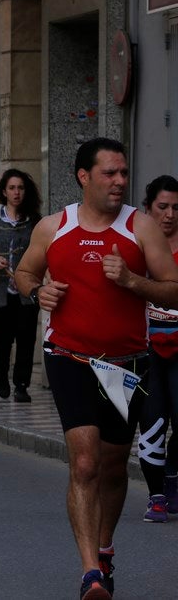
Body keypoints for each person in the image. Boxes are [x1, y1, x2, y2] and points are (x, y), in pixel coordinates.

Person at [15, 138, 178, 599]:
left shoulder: (141, 228)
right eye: (110, 173)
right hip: (69, 358)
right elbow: (25, 272)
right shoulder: (54, 227)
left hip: (128, 365)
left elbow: (173, 290)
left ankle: (104, 550)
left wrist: (132, 281)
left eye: (124, 173)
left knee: (111, 466)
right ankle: (90, 572)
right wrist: (36, 293)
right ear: (84, 176)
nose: (120, 181)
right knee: (84, 463)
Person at [0, 169, 42, 402]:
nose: (16, 192)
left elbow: (44, 252)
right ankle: (1, 377)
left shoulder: (35, 221)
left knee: (26, 339)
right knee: (2, 341)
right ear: (4, 191)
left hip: (27, 291)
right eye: (12, 188)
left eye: (21, 188)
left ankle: (21, 385)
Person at [137, 175, 178, 523]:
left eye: (176, 208)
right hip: (145, 351)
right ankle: (157, 496)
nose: (169, 214)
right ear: (147, 209)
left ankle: (173, 477)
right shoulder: (136, 248)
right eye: (162, 207)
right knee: (151, 423)